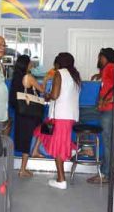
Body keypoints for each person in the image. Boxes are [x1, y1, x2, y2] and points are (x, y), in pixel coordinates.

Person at [33, 52, 81, 189]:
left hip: (60, 116)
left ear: (58, 63)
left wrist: (46, 95)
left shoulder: (59, 73)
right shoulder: (74, 75)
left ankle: (61, 180)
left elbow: (54, 95)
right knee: (43, 130)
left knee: (58, 146)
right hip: (67, 116)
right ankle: (73, 150)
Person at [9, 55, 46, 178]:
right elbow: (41, 89)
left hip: (22, 112)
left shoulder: (16, 78)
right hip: (31, 113)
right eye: (30, 63)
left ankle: (34, 152)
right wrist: (46, 80)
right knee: (39, 131)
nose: (31, 64)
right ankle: (23, 169)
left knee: (29, 136)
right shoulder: (28, 77)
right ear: (26, 64)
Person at [87, 48, 114, 184]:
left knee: (107, 142)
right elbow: (109, 84)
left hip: (109, 110)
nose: (98, 60)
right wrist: (99, 76)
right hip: (105, 109)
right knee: (107, 141)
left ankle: (105, 174)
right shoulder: (107, 69)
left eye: (100, 57)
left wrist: (108, 100)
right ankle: (88, 148)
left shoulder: (111, 67)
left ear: (105, 57)